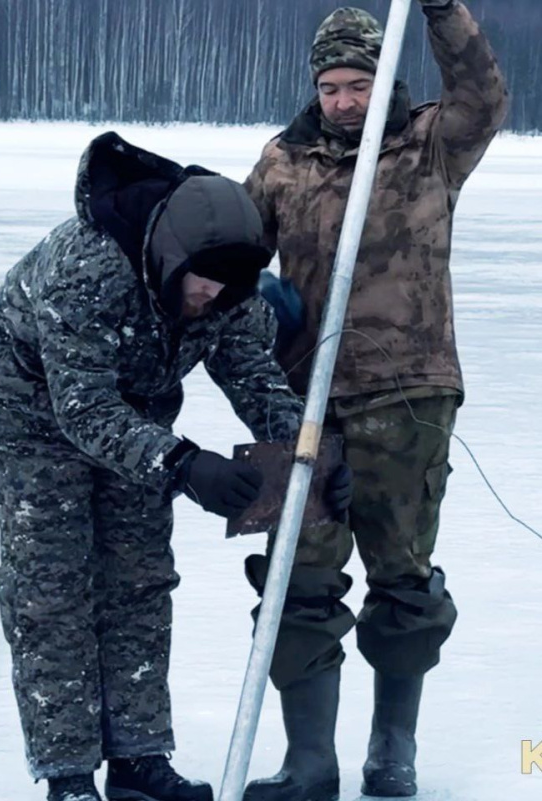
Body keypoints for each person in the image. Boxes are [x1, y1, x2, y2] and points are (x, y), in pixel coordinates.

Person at [0, 132, 351, 801]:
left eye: (226, 287)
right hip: (33, 405)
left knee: (139, 577)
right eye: (201, 283)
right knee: (54, 587)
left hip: (140, 399)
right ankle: (69, 774)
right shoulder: (86, 269)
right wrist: (183, 464)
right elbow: (83, 409)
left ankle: (139, 756)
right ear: (172, 257)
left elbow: (253, 376)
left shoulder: (229, 287)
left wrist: (308, 447)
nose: (211, 296)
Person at [243, 1, 508, 799]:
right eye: (330, 85)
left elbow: (484, 96)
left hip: (409, 393)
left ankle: (392, 750)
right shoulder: (281, 161)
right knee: (296, 575)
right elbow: (233, 253)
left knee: (401, 573)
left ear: (381, 79)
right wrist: (259, 299)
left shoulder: (427, 145)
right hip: (300, 402)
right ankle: (308, 761)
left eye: (357, 83)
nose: (343, 100)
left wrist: (440, 11)